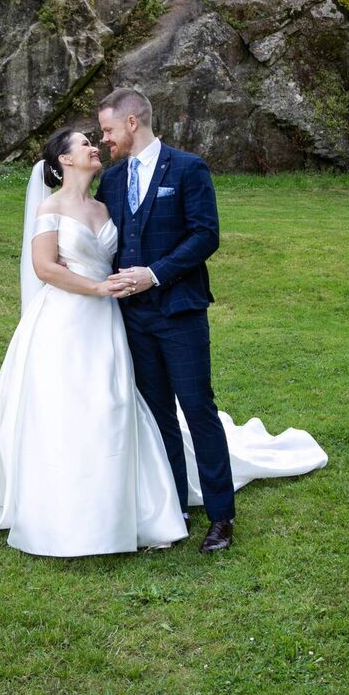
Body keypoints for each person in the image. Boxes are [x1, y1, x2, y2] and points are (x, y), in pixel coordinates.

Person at [0, 128, 328, 557]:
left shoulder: (108, 202)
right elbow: (44, 268)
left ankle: (138, 500)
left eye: (95, 138)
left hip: (114, 322)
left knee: (118, 404)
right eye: (84, 143)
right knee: (66, 408)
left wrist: (129, 282)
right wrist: (99, 287)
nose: (94, 146)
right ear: (62, 160)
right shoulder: (50, 207)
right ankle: (65, 505)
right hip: (67, 320)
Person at [95, 87, 236, 552]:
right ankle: (171, 505)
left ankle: (221, 517)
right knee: (157, 417)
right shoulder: (112, 182)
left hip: (179, 311)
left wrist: (154, 275)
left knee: (198, 409)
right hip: (131, 320)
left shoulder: (189, 168)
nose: (104, 140)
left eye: (109, 130)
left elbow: (205, 236)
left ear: (133, 122)